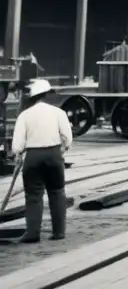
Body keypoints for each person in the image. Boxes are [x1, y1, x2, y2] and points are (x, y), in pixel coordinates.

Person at [12, 79, 73, 242]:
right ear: (47, 95)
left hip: (33, 157)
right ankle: (59, 232)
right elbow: (68, 138)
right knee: (57, 192)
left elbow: (17, 145)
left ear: (32, 96)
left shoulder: (25, 115)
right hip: (53, 155)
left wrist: (18, 154)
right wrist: (61, 149)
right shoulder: (58, 113)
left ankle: (33, 233)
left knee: (33, 195)